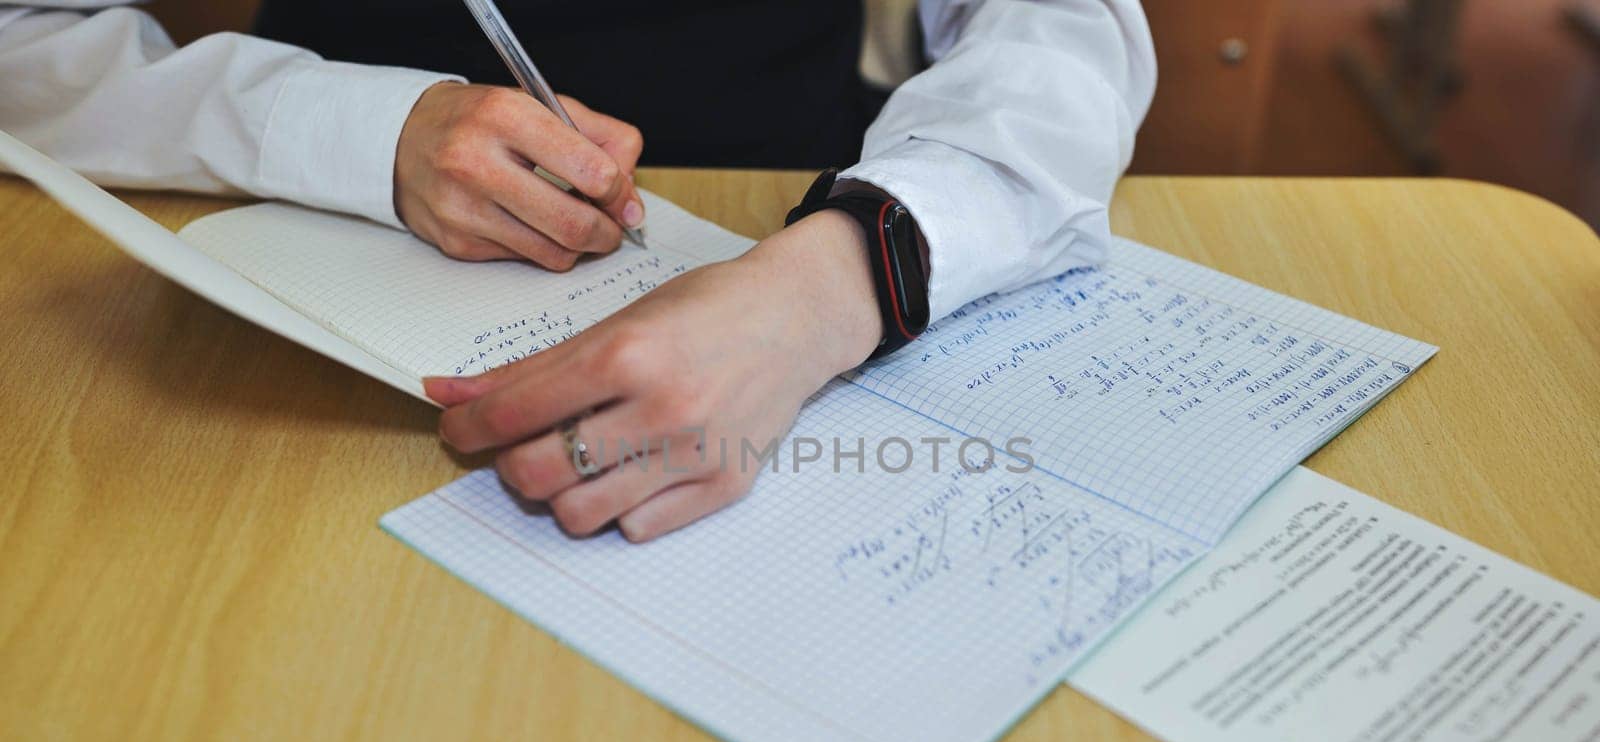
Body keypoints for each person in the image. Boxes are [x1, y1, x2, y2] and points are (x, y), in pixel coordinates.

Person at [0, 0, 1156, 541]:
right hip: (304, 281)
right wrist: (358, 129)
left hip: (795, 205)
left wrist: (846, 276)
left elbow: (1064, 28)